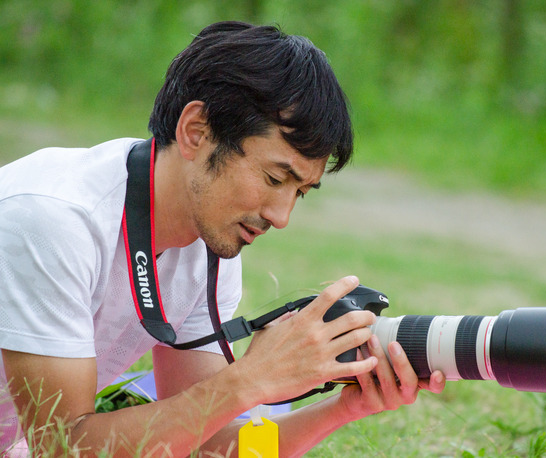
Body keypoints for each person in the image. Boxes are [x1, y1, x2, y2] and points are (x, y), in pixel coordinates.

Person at [0, 21, 445, 456]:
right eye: (274, 178)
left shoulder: (207, 246)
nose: (281, 216)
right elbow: (63, 449)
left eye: (300, 193)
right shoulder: (53, 220)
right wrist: (250, 378)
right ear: (196, 131)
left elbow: (203, 441)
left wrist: (343, 408)